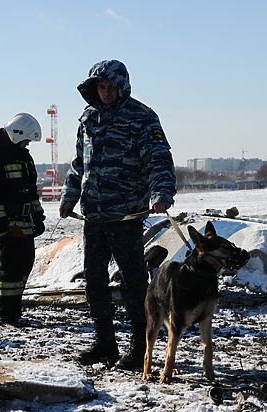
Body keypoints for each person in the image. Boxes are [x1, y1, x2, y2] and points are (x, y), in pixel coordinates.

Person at [59, 59, 176, 369]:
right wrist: (69, 196)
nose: (106, 93)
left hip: (125, 214)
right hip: (94, 215)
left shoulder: (141, 117)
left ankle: (141, 346)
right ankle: (105, 344)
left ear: (122, 87)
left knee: (134, 283)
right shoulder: (88, 118)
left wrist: (160, 193)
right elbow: (78, 164)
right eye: (101, 87)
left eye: (111, 87)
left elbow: (159, 160)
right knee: (95, 281)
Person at [0, 113, 46, 325]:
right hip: (7, 223)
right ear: (17, 135)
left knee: (25, 263)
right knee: (11, 267)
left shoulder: (23, 157)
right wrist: (0, 223)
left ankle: (1, 300)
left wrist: (37, 215)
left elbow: (30, 192)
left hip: (24, 221)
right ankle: (8, 313)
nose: (28, 144)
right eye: (27, 140)